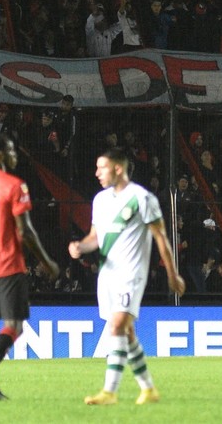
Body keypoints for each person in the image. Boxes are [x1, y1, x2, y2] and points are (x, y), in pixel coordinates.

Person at [68, 147, 185, 406]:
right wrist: (80, 247)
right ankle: (148, 388)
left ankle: (109, 392)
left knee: (117, 325)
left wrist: (172, 274)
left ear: (118, 168)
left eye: (102, 167)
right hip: (106, 275)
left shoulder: (142, 198)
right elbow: (95, 237)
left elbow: (161, 239)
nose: (97, 173)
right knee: (127, 333)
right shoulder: (100, 200)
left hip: (131, 274)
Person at [0, 133, 60, 402]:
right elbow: (26, 231)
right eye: (11, 150)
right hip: (7, 264)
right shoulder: (14, 185)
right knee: (14, 326)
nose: (15, 155)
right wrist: (47, 262)